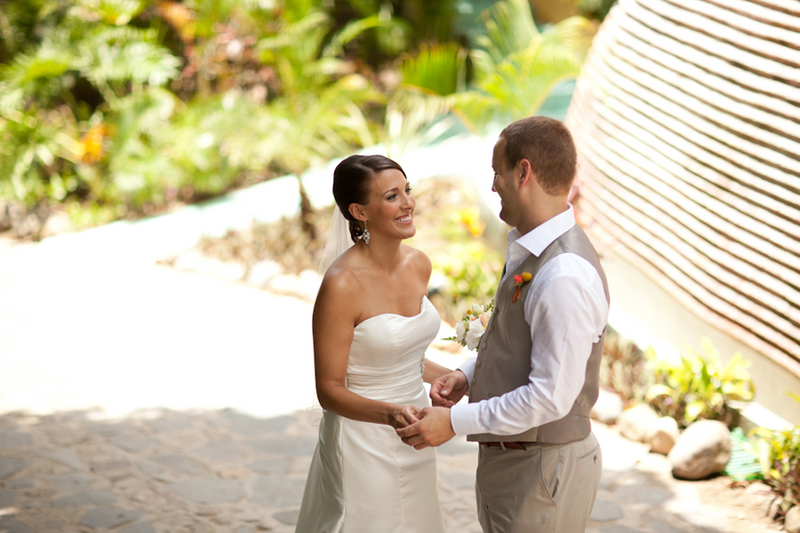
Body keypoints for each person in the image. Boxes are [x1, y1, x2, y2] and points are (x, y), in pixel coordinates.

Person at [397, 116, 610, 533]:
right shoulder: (534, 249)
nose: (493, 185)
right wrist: (468, 374)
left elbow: (549, 398)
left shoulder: (563, 274)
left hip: (544, 470)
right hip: (519, 464)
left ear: (523, 172)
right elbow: (520, 342)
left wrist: (454, 422)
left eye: (497, 172)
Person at [295, 154, 451, 533]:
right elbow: (329, 390)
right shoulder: (341, 285)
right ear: (358, 211)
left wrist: (454, 377)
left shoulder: (419, 265)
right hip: (362, 438)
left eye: (407, 191)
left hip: (415, 431)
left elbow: (401, 355)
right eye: (392, 196)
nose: (408, 203)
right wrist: (389, 414)